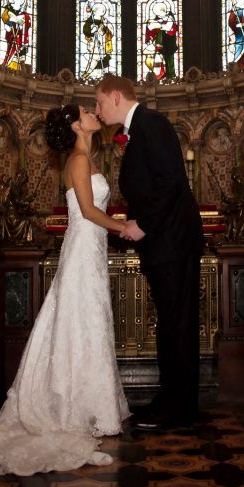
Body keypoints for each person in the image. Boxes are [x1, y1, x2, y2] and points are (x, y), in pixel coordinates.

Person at [0, 104, 130, 476]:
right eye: (87, 111)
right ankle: (75, 406)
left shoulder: (86, 156)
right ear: (76, 125)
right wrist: (125, 227)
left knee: (90, 320)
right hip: (84, 246)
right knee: (80, 319)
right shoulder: (77, 159)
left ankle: (90, 404)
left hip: (92, 247)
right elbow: (88, 211)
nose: (93, 113)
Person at [94, 74, 204, 429]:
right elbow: (153, 184)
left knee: (178, 324)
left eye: (98, 103)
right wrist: (137, 219)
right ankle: (169, 397)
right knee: (171, 324)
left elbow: (171, 182)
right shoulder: (138, 127)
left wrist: (142, 224)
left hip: (172, 240)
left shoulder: (150, 123)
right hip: (165, 241)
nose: (97, 111)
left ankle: (181, 408)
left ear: (114, 97)